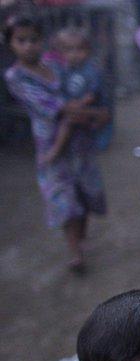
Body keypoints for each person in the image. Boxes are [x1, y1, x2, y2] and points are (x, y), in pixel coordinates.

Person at [3, 14, 109, 273]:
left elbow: (82, 89)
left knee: (84, 193)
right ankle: (76, 253)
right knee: (63, 198)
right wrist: (98, 114)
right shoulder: (15, 76)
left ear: (43, 41)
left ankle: (80, 241)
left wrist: (93, 108)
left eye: (34, 39)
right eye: (21, 40)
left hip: (80, 141)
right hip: (51, 143)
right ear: (11, 45)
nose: (29, 45)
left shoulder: (56, 64)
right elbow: (55, 108)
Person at [41, 27, 111, 164]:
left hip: (90, 108)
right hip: (77, 107)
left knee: (69, 121)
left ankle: (56, 150)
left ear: (88, 51)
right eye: (69, 50)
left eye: (80, 49)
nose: (75, 54)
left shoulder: (91, 70)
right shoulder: (66, 68)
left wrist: (78, 104)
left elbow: (92, 94)